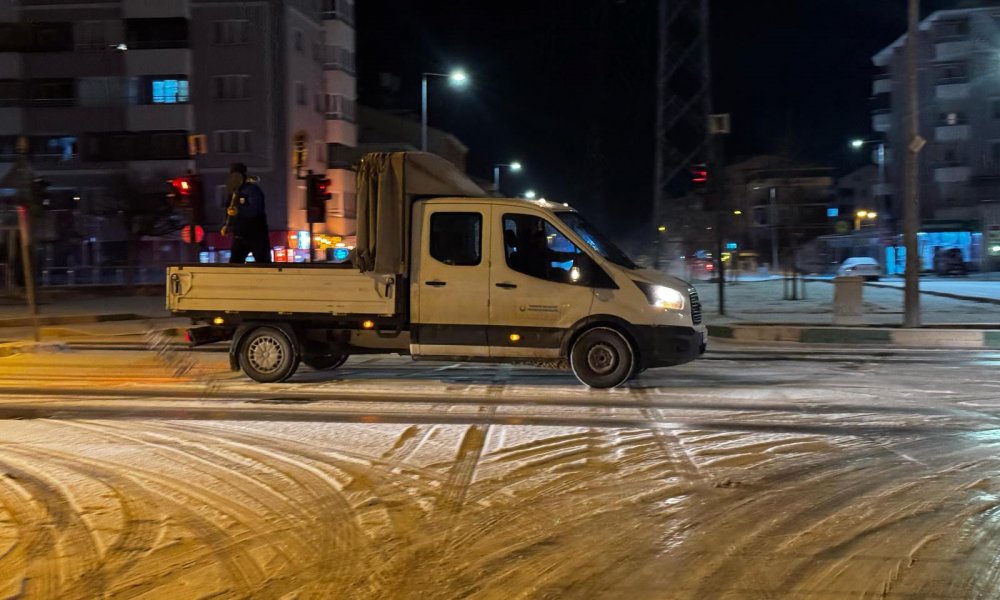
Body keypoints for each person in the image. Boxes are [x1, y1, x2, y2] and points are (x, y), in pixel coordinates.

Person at [221, 163, 271, 264]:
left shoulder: (252, 190)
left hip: (256, 235)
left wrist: (239, 211)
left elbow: (256, 210)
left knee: (263, 264)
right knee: (234, 264)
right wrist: (226, 225)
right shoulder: (233, 192)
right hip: (240, 235)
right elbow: (229, 211)